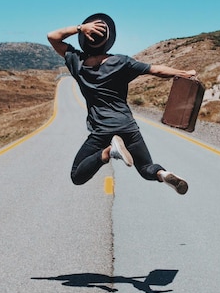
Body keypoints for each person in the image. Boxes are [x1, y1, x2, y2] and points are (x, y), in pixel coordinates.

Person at [47, 13, 197, 195]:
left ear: (85, 39)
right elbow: (156, 70)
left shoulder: (76, 62)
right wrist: (185, 73)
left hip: (101, 131)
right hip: (127, 127)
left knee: (77, 175)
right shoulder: (121, 62)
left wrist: (80, 28)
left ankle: (108, 152)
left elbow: (52, 36)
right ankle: (162, 173)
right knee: (146, 168)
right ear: (108, 40)